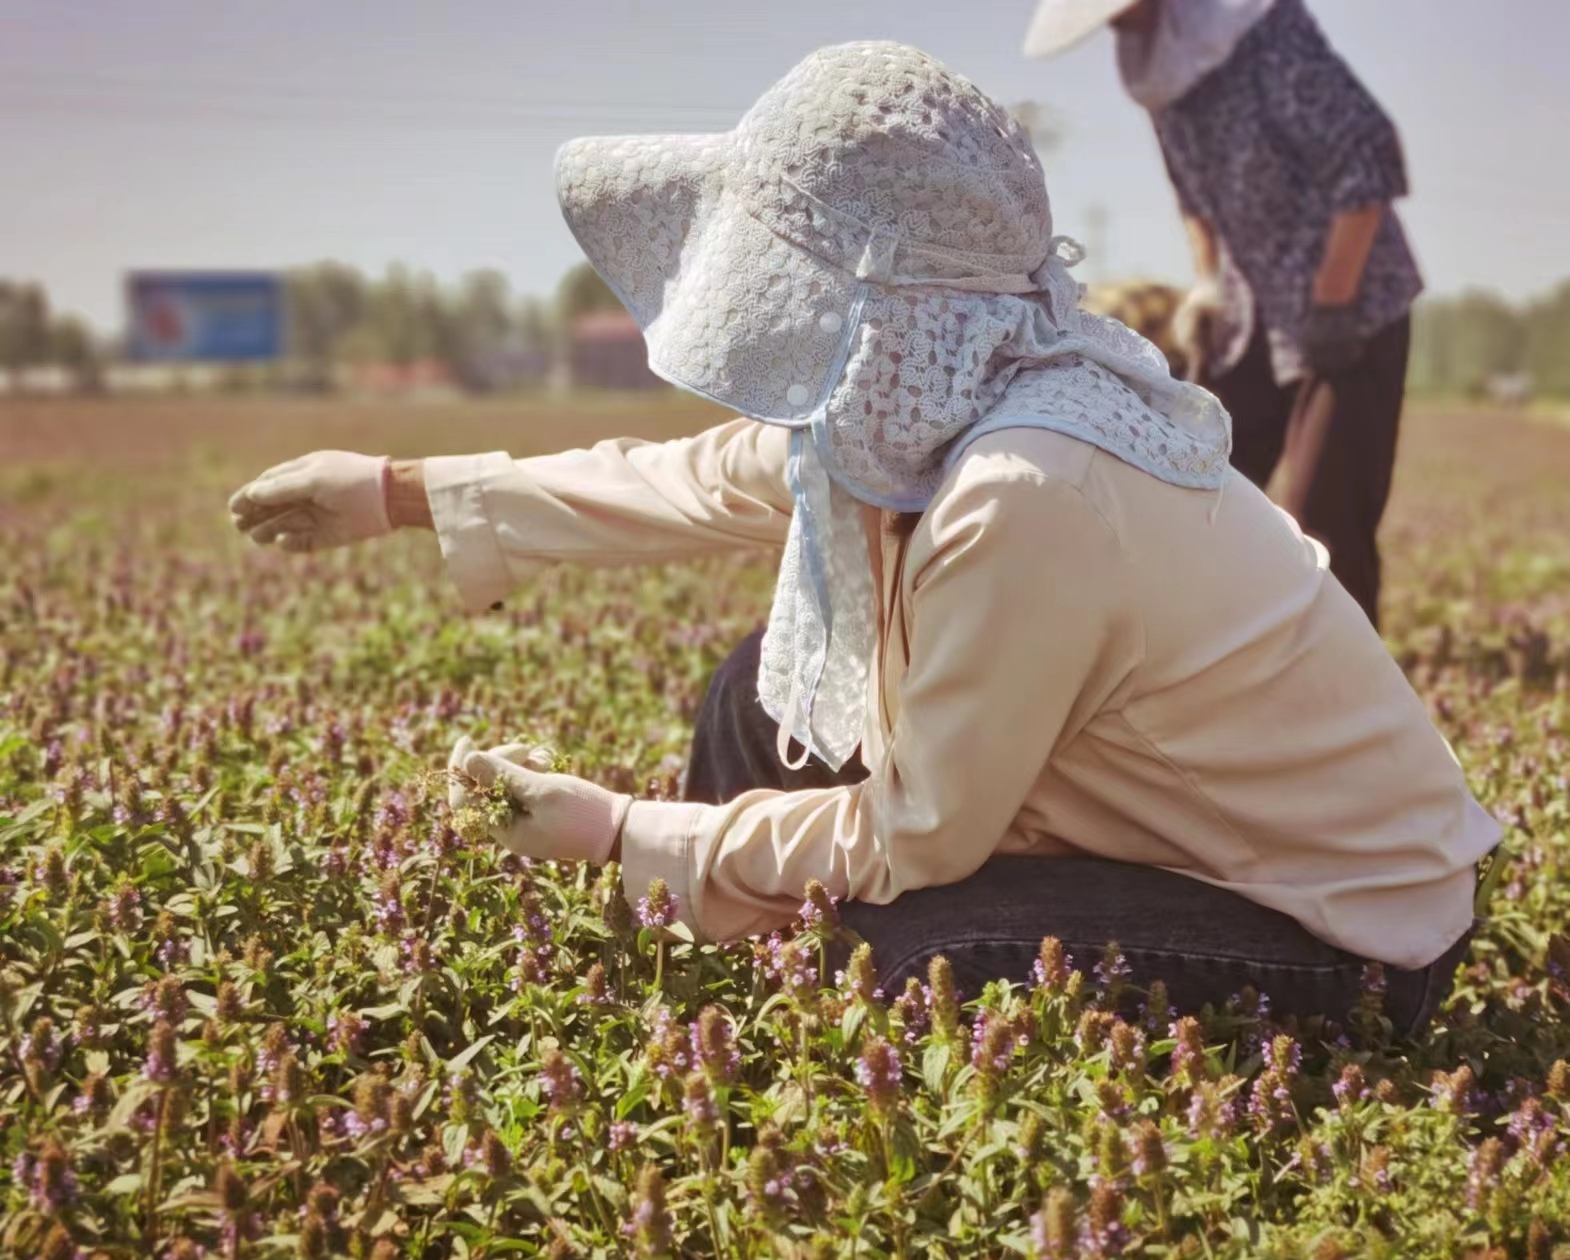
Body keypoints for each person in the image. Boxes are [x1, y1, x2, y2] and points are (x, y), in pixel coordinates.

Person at [229, 42, 1497, 1034]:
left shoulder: (1028, 483)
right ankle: (741, 901)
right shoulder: (958, 389)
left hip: (1324, 924)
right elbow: (691, 479)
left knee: (913, 951)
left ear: (875, 306)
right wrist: (393, 490)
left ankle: (732, 906)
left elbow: (922, 833)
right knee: (750, 695)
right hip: (1139, 818)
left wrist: (618, 832)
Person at [1025, 0, 1421, 629]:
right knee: (1193, 479)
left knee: (1325, 513)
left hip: (1350, 302)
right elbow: (1192, 197)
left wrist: (1333, 300)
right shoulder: (1160, 76)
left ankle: (1346, 690)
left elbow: (1366, 162)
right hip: (1254, 311)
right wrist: (1208, 282)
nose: (1116, 24)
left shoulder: (1265, 36)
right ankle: (1217, 663)